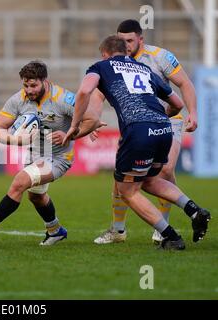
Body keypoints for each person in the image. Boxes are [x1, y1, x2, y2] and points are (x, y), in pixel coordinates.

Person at [63, 35, 210, 250]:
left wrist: (75, 124)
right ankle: (194, 210)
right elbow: (177, 103)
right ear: (125, 51)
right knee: (149, 180)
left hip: (138, 131)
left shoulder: (101, 66)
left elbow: (85, 90)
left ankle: (170, 237)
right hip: (163, 128)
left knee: (127, 190)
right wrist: (161, 117)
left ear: (105, 54)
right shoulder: (144, 69)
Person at [0, 60, 101, 245]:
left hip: (58, 158)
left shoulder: (62, 98)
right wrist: (16, 140)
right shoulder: (18, 99)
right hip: (35, 154)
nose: (29, 90)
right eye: (25, 85)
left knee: (19, 183)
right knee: (36, 196)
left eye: (33, 85)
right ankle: (55, 231)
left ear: (45, 81)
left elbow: (92, 118)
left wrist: (72, 133)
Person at [93, 19, 199, 245]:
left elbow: (185, 84)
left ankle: (163, 227)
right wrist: (94, 118)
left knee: (166, 170)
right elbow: (99, 93)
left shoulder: (160, 57)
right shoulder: (115, 61)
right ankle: (118, 230)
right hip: (136, 124)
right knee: (121, 176)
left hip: (167, 118)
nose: (126, 45)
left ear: (141, 39)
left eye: (130, 40)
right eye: (121, 41)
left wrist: (194, 112)